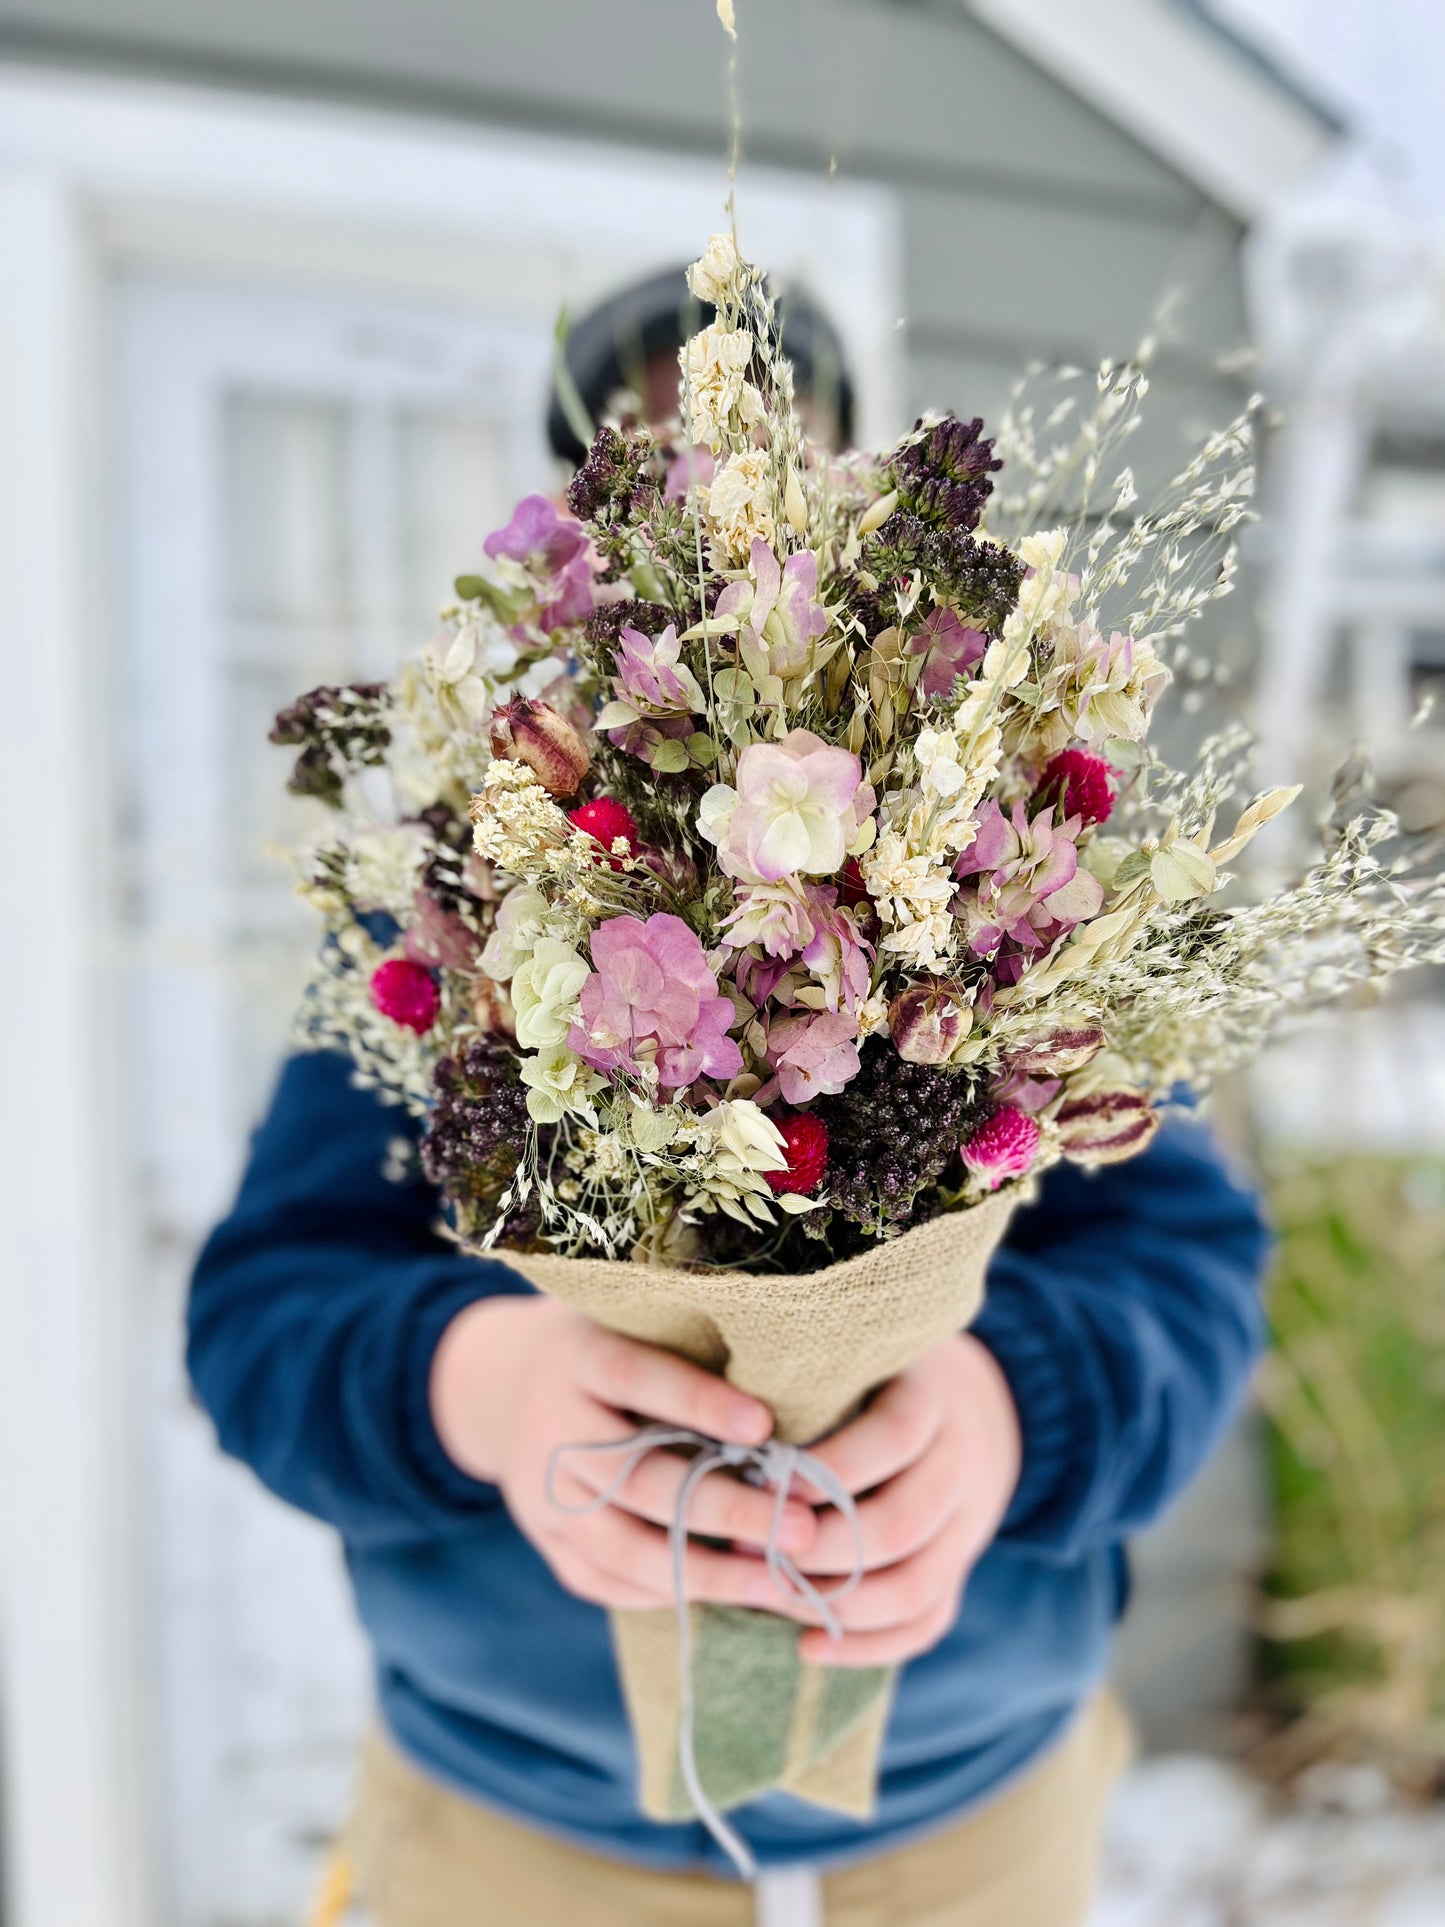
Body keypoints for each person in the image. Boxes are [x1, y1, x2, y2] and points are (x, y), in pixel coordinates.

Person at [188, 267, 1269, 1927]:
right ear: (577, 534)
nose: (711, 506)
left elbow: (1185, 1266)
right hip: (513, 1833)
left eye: (767, 458)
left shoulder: (1025, 874)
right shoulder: (434, 898)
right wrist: (482, 1384)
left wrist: (1010, 1417)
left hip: (973, 1822)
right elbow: (264, 1313)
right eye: (650, 471)